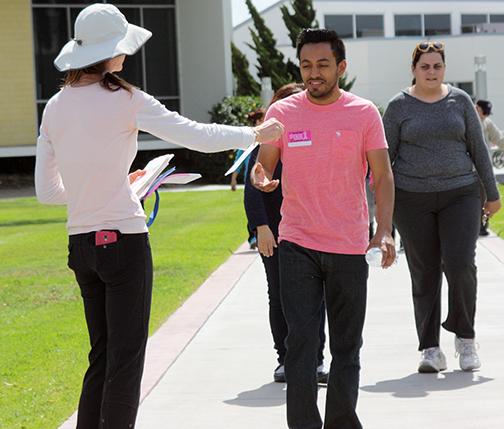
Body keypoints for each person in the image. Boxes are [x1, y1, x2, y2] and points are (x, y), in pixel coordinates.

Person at [34, 4, 283, 429]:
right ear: (109, 53)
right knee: (127, 361)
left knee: (103, 355)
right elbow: (195, 135)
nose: (126, 56)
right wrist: (254, 135)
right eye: (121, 49)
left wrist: (118, 185)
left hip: (82, 247)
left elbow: (48, 192)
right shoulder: (126, 99)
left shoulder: (55, 107)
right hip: (124, 242)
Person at [252, 29, 396, 429]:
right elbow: (263, 164)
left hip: (349, 246)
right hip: (297, 243)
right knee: (300, 345)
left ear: (341, 67)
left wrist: (384, 229)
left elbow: (382, 176)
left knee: (347, 348)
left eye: (322, 65)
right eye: (306, 65)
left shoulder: (364, 113)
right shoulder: (281, 113)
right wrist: (260, 177)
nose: (313, 73)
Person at [383, 41, 501, 374]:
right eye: (425, 66)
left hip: (460, 194)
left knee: (461, 264)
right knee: (425, 272)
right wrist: (383, 217)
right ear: (414, 70)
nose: (431, 72)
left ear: (444, 68)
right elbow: (383, 162)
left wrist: (491, 194)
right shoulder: (398, 107)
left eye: (437, 66)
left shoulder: (460, 101)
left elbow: (479, 149)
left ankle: (465, 338)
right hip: (411, 198)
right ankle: (430, 348)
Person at [244, 83, 328, 384]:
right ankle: (285, 358)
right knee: (279, 297)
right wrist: (261, 228)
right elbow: (252, 191)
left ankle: (316, 361)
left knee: (315, 299)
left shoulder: (310, 138)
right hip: (275, 234)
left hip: (311, 232)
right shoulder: (265, 144)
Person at [475, 100, 504, 235]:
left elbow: (498, 139)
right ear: (477, 108)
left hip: (483, 166)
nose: (485, 115)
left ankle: (482, 226)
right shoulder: (467, 118)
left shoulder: (486, 122)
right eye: (483, 112)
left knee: (486, 197)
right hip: (467, 168)